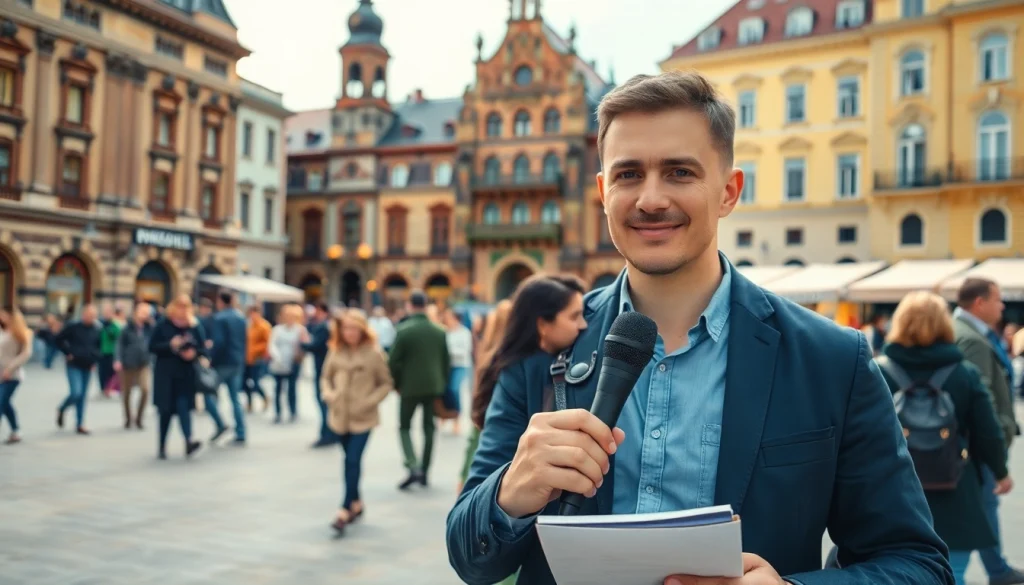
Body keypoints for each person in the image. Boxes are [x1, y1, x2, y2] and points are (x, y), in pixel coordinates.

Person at [447, 71, 951, 585]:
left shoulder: (832, 359)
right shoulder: (545, 345)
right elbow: (469, 556)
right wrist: (509, 491)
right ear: (602, 192)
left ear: (729, 192)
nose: (649, 199)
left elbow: (918, 565)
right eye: (627, 175)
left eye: (679, 172)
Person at [878, 291, 1013, 585]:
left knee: (894, 572)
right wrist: (1000, 471)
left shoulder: (879, 372)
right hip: (956, 488)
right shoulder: (964, 373)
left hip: (892, 492)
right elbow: (987, 431)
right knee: (954, 573)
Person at [952, 278, 1024, 584]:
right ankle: (956, 576)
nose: (1003, 305)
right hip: (978, 447)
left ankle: (997, 569)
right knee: (975, 517)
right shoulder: (971, 338)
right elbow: (982, 400)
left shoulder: (971, 333)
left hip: (970, 446)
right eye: (997, 299)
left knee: (985, 509)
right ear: (979, 303)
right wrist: (997, 442)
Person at [320, 309, 394, 535]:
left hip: (364, 418)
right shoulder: (336, 350)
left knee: (352, 459)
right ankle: (357, 502)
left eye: (354, 328)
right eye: (346, 328)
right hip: (339, 416)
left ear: (362, 330)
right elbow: (326, 377)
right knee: (350, 460)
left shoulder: (373, 353)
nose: (350, 333)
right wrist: (329, 395)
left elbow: (386, 383)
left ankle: (344, 509)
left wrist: (369, 401)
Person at [388, 290, 450, 490]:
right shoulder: (439, 331)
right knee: (429, 428)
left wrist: (397, 383)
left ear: (410, 306)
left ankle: (412, 464)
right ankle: (425, 470)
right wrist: (441, 383)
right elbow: (446, 361)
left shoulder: (404, 330)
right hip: (433, 386)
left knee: (404, 426)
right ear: (425, 305)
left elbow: (393, 361)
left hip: (409, 386)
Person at [149, 295, 205, 459]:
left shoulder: (194, 325)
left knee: (184, 408)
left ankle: (188, 441)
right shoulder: (163, 324)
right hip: (165, 375)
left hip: (185, 374)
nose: (183, 309)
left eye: (186, 306)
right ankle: (161, 445)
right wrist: (170, 345)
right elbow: (152, 346)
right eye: (180, 305)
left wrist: (193, 353)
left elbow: (203, 348)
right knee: (165, 411)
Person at [55, 303, 101, 435]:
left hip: (87, 365)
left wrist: (95, 359)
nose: (91, 317)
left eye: (93, 315)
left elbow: (98, 346)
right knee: (76, 392)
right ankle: (62, 408)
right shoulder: (73, 326)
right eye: (88, 315)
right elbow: (59, 339)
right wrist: (67, 352)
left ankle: (80, 423)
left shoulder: (97, 329)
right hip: (74, 364)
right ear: (83, 314)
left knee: (82, 396)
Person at [209, 291, 248, 445]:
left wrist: (211, 359)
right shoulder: (240, 317)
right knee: (235, 399)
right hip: (237, 361)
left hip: (222, 362)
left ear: (220, 301)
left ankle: (220, 423)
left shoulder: (220, 318)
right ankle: (241, 431)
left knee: (208, 395)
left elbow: (219, 342)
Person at [114, 302, 154, 430]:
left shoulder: (150, 327)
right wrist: (118, 360)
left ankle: (139, 418)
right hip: (128, 363)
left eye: (147, 313)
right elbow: (119, 344)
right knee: (126, 393)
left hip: (144, 363)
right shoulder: (127, 327)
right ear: (136, 312)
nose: (144, 315)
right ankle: (127, 418)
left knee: (145, 390)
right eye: (142, 312)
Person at [268, 303, 309, 424]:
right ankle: (278, 413)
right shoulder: (277, 329)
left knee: (292, 388)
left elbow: (305, 344)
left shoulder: (300, 330)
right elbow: (272, 345)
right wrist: (276, 356)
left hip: (293, 362)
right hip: (279, 362)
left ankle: (293, 411)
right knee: (278, 389)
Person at [303, 302, 335, 448]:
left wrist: (302, 343)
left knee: (323, 402)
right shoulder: (325, 325)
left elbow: (315, 346)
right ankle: (330, 433)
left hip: (323, 369)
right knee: (325, 403)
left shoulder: (323, 327)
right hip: (325, 368)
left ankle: (327, 434)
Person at [0, 307, 33, 445]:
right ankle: (16, 430)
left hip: (11, 375)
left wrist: (10, 368)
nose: (1, 317)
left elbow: (26, 354)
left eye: (3, 314)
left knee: (1, 402)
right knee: (5, 403)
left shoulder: (23, 332)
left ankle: (16, 430)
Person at [441, 307, 474, 435]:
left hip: (460, 365)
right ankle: (445, 415)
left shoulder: (464, 332)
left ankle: (457, 419)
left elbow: (466, 350)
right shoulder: (445, 332)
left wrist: (450, 351)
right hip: (448, 366)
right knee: (445, 391)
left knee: (455, 389)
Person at [244, 305, 271, 412]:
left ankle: (264, 397)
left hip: (258, 358)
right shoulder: (248, 325)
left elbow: (268, 342)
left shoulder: (264, 326)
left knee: (255, 382)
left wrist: (255, 349)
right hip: (247, 358)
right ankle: (249, 403)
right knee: (245, 381)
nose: (252, 316)